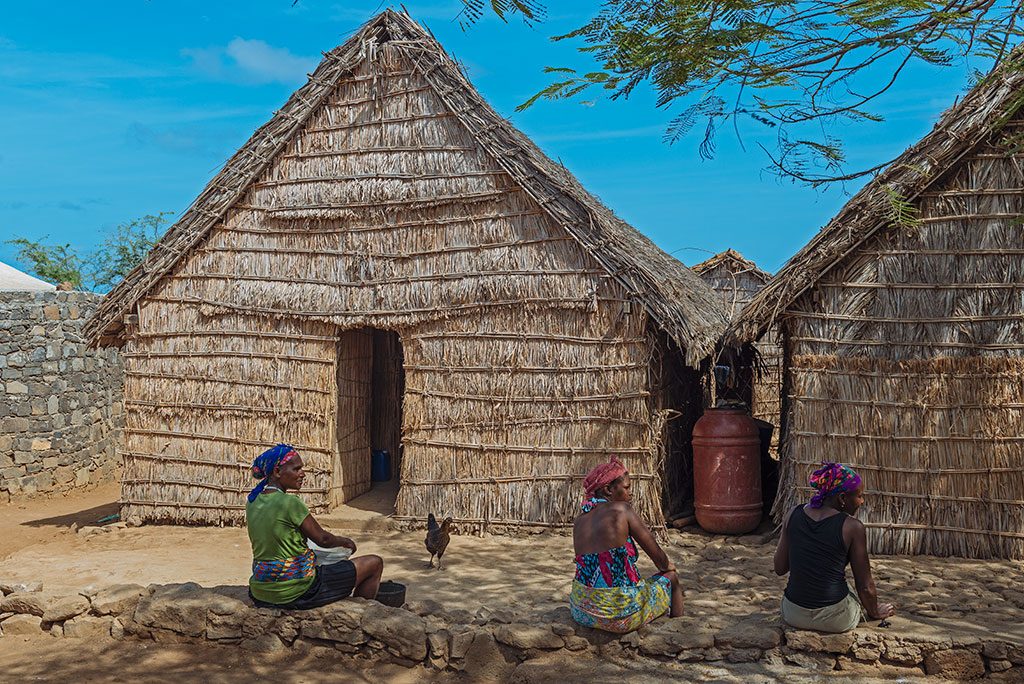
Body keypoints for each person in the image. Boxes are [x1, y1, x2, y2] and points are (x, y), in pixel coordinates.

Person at [246, 444, 384, 609]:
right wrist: (345, 542)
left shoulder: (252, 502)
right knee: (374, 563)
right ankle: (362, 614)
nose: (302, 474)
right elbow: (323, 539)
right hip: (297, 591)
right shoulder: (289, 503)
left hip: (260, 591)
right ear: (277, 472)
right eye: (296, 469)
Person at [773, 461, 896, 633]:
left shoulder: (793, 513)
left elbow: (779, 568)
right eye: (859, 495)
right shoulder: (852, 527)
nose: (861, 501)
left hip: (793, 614)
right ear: (842, 498)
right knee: (850, 588)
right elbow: (865, 587)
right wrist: (874, 611)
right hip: (835, 620)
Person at [569, 456, 684, 633]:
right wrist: (669, 567)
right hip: (619, 613)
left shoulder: (579, 520)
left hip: (581, 610)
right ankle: (679, 631)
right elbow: (660, 560)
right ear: (608, 490)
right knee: (671, 578)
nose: (630, 493)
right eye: (626, 487)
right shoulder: (622, 510)